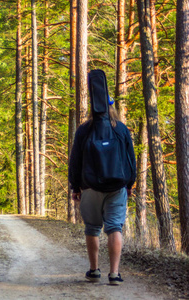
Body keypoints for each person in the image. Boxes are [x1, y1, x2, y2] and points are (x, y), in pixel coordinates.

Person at [68, 95, 136, 286]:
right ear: (111, 107)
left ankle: (94, 270)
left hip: (90, 186)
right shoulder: (121, 129)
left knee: (92, 228)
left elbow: (75, 161)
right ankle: (114, 274)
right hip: (117, 187)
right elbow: (131, 159)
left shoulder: (84, 130)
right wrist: (129, 184)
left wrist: (75, 186)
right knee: (115, 227)